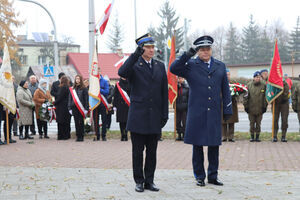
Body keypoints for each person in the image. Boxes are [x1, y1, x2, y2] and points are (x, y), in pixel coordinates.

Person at [170, 35, 232, 187]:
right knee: (197, 146)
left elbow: (225, 88)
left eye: (207, 49)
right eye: (202, 50)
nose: (205, 52)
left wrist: (228, 108)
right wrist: (187, 54)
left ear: (211, 50)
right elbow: (173, 68)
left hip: (214, 111)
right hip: (197, 111)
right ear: (197, 51)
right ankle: (199, 176)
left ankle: (213, 175)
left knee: (214, 146)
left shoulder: (220, 66)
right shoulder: (191, 64)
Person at [118, 33, 168, 192]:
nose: (152, 50)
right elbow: (122, 72)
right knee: (137, 152)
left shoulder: (160, 66)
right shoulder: (134, 64)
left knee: (152, 152)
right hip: (138, 116)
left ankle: (149, 181)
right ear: (141, 49)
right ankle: (139, 181)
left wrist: (164, 114)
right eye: (148, 47)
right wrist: (134, 55)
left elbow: (163, 92)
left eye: (153, 47)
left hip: (154, 117)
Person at [243, 71, 267, 142]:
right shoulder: (249, 85)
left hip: (260, 108)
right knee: (252, 124)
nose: (258, 79)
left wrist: (265, 106)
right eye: (256, 77)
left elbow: (265, 97)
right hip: (251, 108)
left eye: (259, 77)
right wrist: (246, 106)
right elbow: (245, 97)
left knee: (258, 124)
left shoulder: (264, 85)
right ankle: (252, 136)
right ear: (253, 78)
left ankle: (257, 137)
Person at [68, 75, 89, 142]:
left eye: (78, 79)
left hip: (81, 107)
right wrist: (69, 108)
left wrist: (86, 108)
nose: (77, 80)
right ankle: (78, 136)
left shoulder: (84, 88)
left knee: (81, 122)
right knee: (76, 122)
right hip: (74, 107)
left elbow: (86, 99)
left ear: (81, 80)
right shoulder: (72, 89)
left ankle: (81, 136)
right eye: (76, 79)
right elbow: (70, 99)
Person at [222, 69, 238, 142]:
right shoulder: (220, 82)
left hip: (232, 104)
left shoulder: (233, 83)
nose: (227, 76)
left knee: (232, 121)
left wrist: (235, 94)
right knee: (223, 122)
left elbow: (238, 91)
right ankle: (223, 136)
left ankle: (231, 136)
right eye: (226, 74)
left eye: (228, 74)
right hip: (222, 104)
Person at [93, 72, 109, 141]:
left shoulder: (104, 81)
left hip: (102, 103)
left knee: (104, 120)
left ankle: (104, 135)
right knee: (95, 120)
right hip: (95, 103)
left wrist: (99, 89)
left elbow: (107, 91)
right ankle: (97, 135)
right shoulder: (93, 82)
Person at [54, 76, 71, 140]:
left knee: (61, 122)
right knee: (67, 122)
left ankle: (61, 136)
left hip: (61, 107)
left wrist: (54, 103)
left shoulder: (62, 87)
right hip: (67, 106)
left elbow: (60, 97)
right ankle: (67, 135)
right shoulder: (68, 87)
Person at [175, 77, 189, 141]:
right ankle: (179, 135)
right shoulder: (176, 88)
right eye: (179, 78)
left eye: (181, 78)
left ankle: (184, 135)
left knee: (184, 122)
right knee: (177, 122)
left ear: (184, 79)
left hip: (184, 107)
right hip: (177, 107)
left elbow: (189, 98)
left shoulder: (187, 87)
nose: (180, 80)